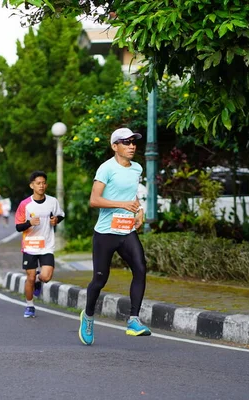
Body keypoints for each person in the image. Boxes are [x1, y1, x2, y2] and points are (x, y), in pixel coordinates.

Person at [78, 128, 151, 346]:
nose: (132, 146)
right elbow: (94, 200)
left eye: (133, 142)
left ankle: (134, 320)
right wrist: (122, 204)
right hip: (106, 233)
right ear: (114, 146)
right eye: (126, 142)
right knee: (100, 280)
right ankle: (88, 316)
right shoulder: (106, 168)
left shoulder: (136, 168)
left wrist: (138, 211)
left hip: (126, 230)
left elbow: (132, 195)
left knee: (140, 268)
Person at [15, 171, 65, 318]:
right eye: (38, 183)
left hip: (47, 245)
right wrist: (29, 223)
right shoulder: (25, 204)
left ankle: (39, 279)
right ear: (32, 185)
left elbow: (60, 215)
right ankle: (30, 306)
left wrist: (56, 220)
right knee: (29, 278)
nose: (41, 186)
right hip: (30, 246)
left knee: (46, 276)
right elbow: (18, 227)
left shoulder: (52, 201)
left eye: (43, 183)